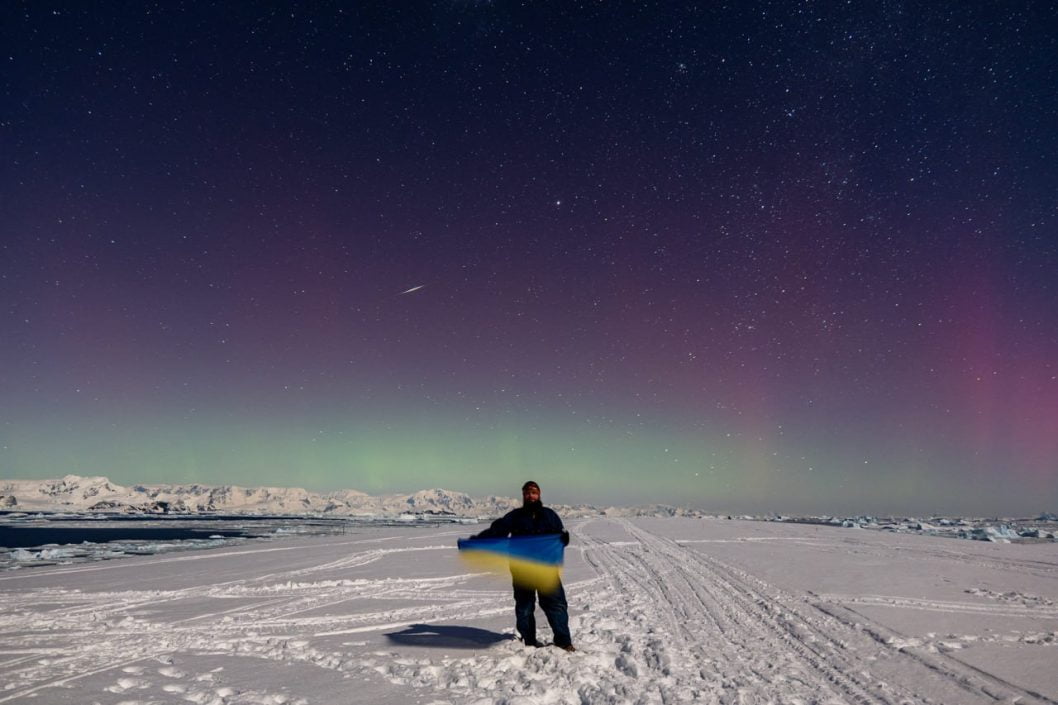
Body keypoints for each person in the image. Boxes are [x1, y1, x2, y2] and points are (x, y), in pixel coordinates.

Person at [473, 480, 575, 652]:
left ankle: (564, 642)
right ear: (523, 496)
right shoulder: (515, 516)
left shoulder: (549, 515)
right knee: (524, 607)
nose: (530, 496)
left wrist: (563, 539)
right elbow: (496, 531)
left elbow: (559, 536)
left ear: (539, 494)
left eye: (533, 492)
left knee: (556, 605)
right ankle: (529, 641)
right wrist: (478, 541)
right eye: (527, 493)